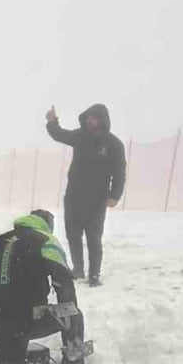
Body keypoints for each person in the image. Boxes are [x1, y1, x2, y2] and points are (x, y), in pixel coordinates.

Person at [0, 209, 88, 364]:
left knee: (13, 356)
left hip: (0, 320)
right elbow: (62, 278)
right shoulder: (45, 239)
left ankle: (12, 363)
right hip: (28, 318)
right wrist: (69, 308)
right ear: (47, 225)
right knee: (74, 315)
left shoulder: (1, 240)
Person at [46, 102, 126, 287]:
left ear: (102, 120)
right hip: (74, 195)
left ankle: (94, 275)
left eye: (94, 118)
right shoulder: (80, 136)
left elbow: (119, 172)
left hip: (97, 199)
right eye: (89, 117)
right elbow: (60, 134)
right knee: (73, 235)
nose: (90, 121)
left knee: (93, 238)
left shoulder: (114, 145)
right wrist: (52, 122)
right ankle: (78, 269)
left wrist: (115, 195)